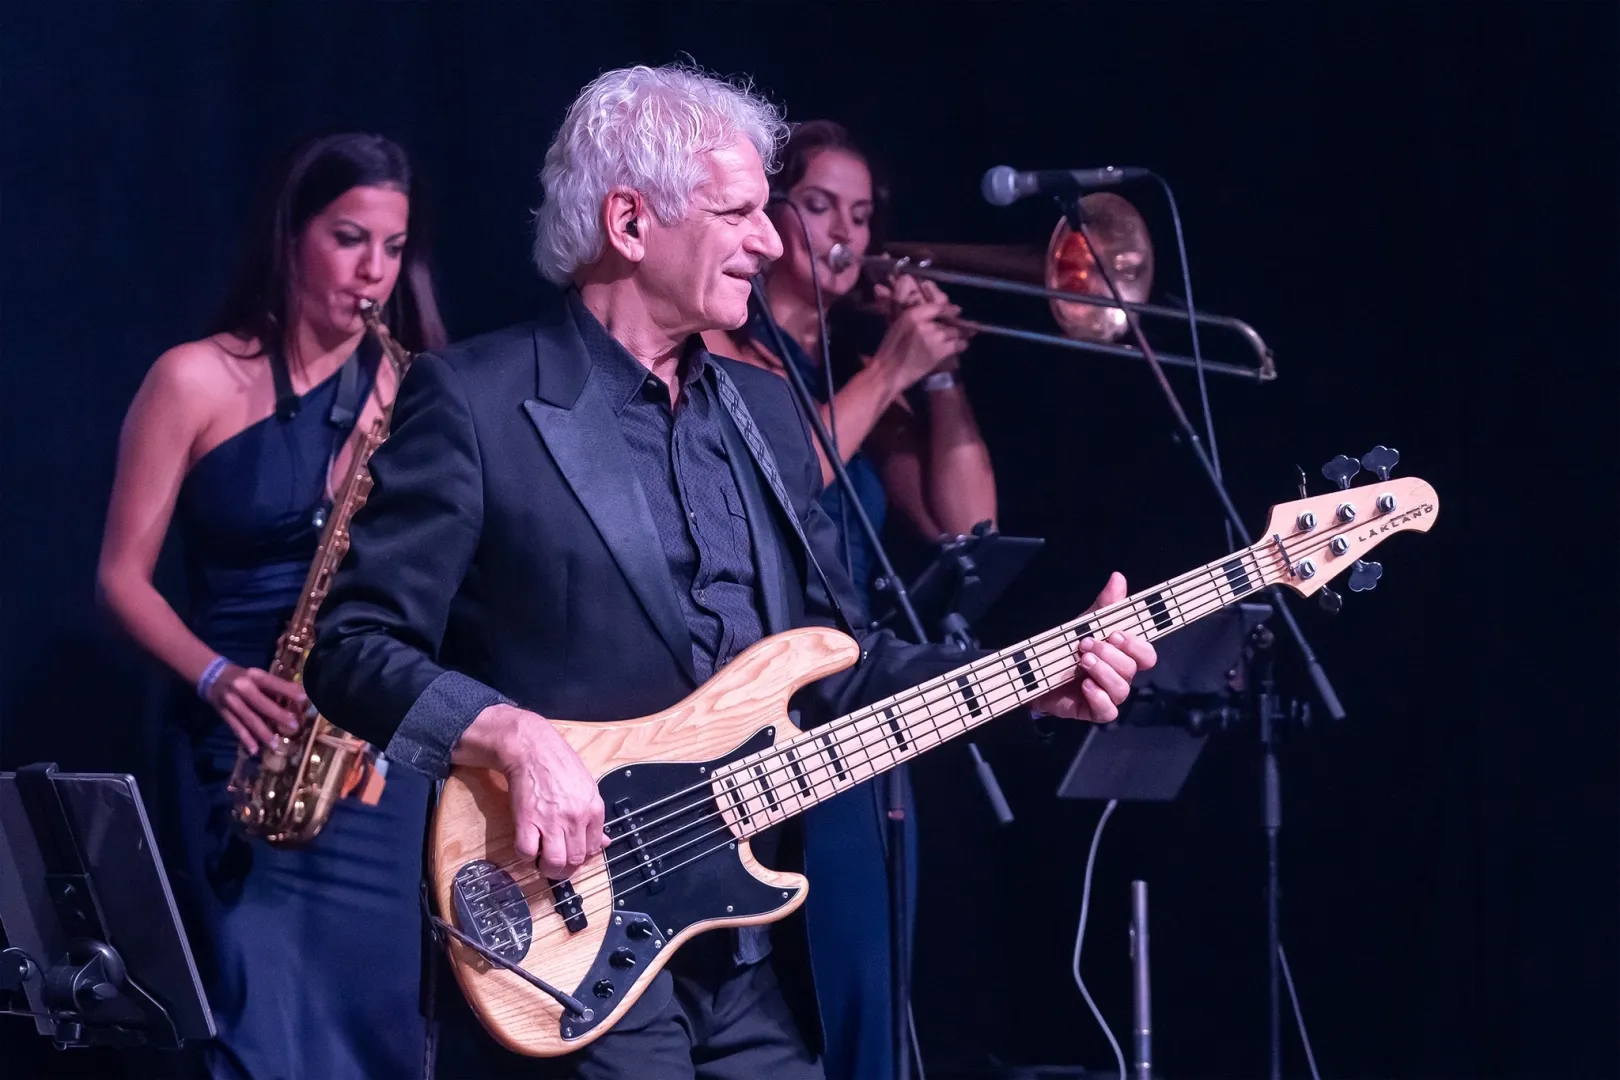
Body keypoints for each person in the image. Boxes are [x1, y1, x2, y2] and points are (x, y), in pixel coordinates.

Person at [303, 64, 1153, 1080]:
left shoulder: (765, 423)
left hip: (748, 957)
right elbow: (349, 649)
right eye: (740, 211)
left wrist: (1037, 679)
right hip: (570, 938)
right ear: (629, 222)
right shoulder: (478, 401)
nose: (768, 240)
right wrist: (511, 737)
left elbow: (848, 666)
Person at [96, 131, 445, 1080]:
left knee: (382, 1030)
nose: (373, 272)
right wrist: (212, 676)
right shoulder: (194, 377)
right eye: (348, 238)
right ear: (290, 235)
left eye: (392, 246)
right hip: (244, 744)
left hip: (373, 763)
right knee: (257, 1025)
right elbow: (121, 577)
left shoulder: (414, 389)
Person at [703, 119, 997, 1080]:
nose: (845, 234)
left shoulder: (845, 375)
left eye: (863, 216)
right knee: (813, 987)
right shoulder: (726, 353)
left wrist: (939, 375)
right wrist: (889, 370)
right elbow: (784, 479)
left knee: (872, 987)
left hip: (858, 702)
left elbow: (966, 521)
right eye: (821, 205)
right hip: (765, 713)